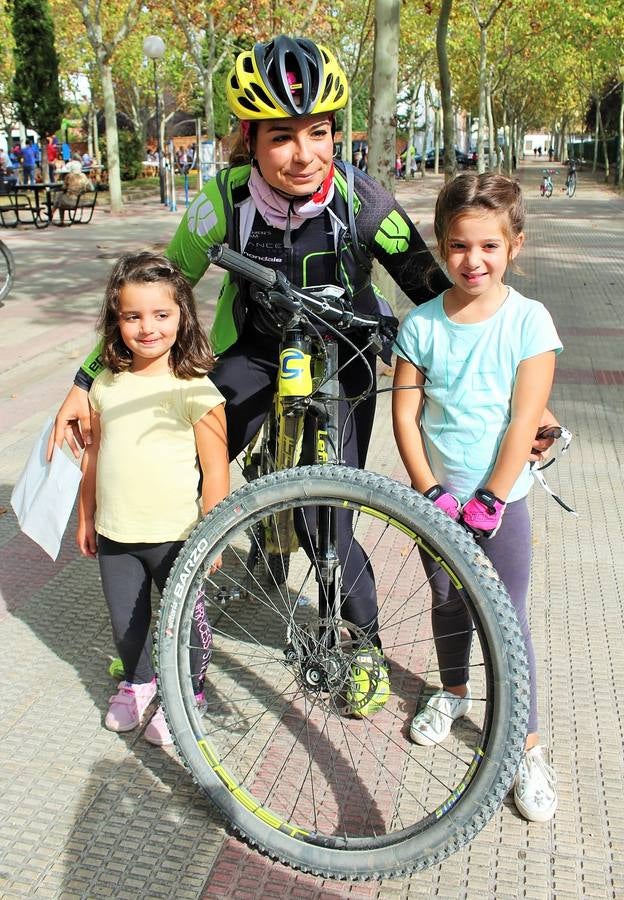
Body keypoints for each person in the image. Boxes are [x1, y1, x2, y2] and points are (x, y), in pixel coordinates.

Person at [49, 36, 556, 719]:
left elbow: (445, 298)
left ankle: (363, 645)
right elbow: (159, 288)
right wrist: (86, 379)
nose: (303, 153)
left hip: (341, 359)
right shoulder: (223, 199)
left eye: (317, 133)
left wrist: (526, 405)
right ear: (250, 140)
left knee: (330, 519)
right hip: (255, 353)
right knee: (184, 472)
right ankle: (152, 633)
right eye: (281, 137)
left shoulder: (362, 199)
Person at [392, 173, 561, 823]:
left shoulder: (529, 322)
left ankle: (525, 746)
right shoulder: (422, 326)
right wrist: (429, 491)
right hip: (436, 506)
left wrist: (491, 495)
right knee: (446, 601)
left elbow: (525, 421)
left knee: (509, 621)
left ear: (514, 245)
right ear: (440, 246)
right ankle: (454, 692)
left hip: (503, 504)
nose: (474, 260)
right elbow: (406, 418)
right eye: (460, 246)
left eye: (489, 245)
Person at [76, 252, 229, 746]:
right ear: (115, 320)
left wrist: (214, 534)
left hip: (179, 536)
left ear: (182, 316)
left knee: (188, 623)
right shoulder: (105, 384)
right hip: (117, 532)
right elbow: (94, 455)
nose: (147, 328)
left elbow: (216, 471)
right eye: (132, 316)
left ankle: (187, 694)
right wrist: (86, 516)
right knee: (128, 623)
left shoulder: (197, 390)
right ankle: (138, 683)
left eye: (161, 314)